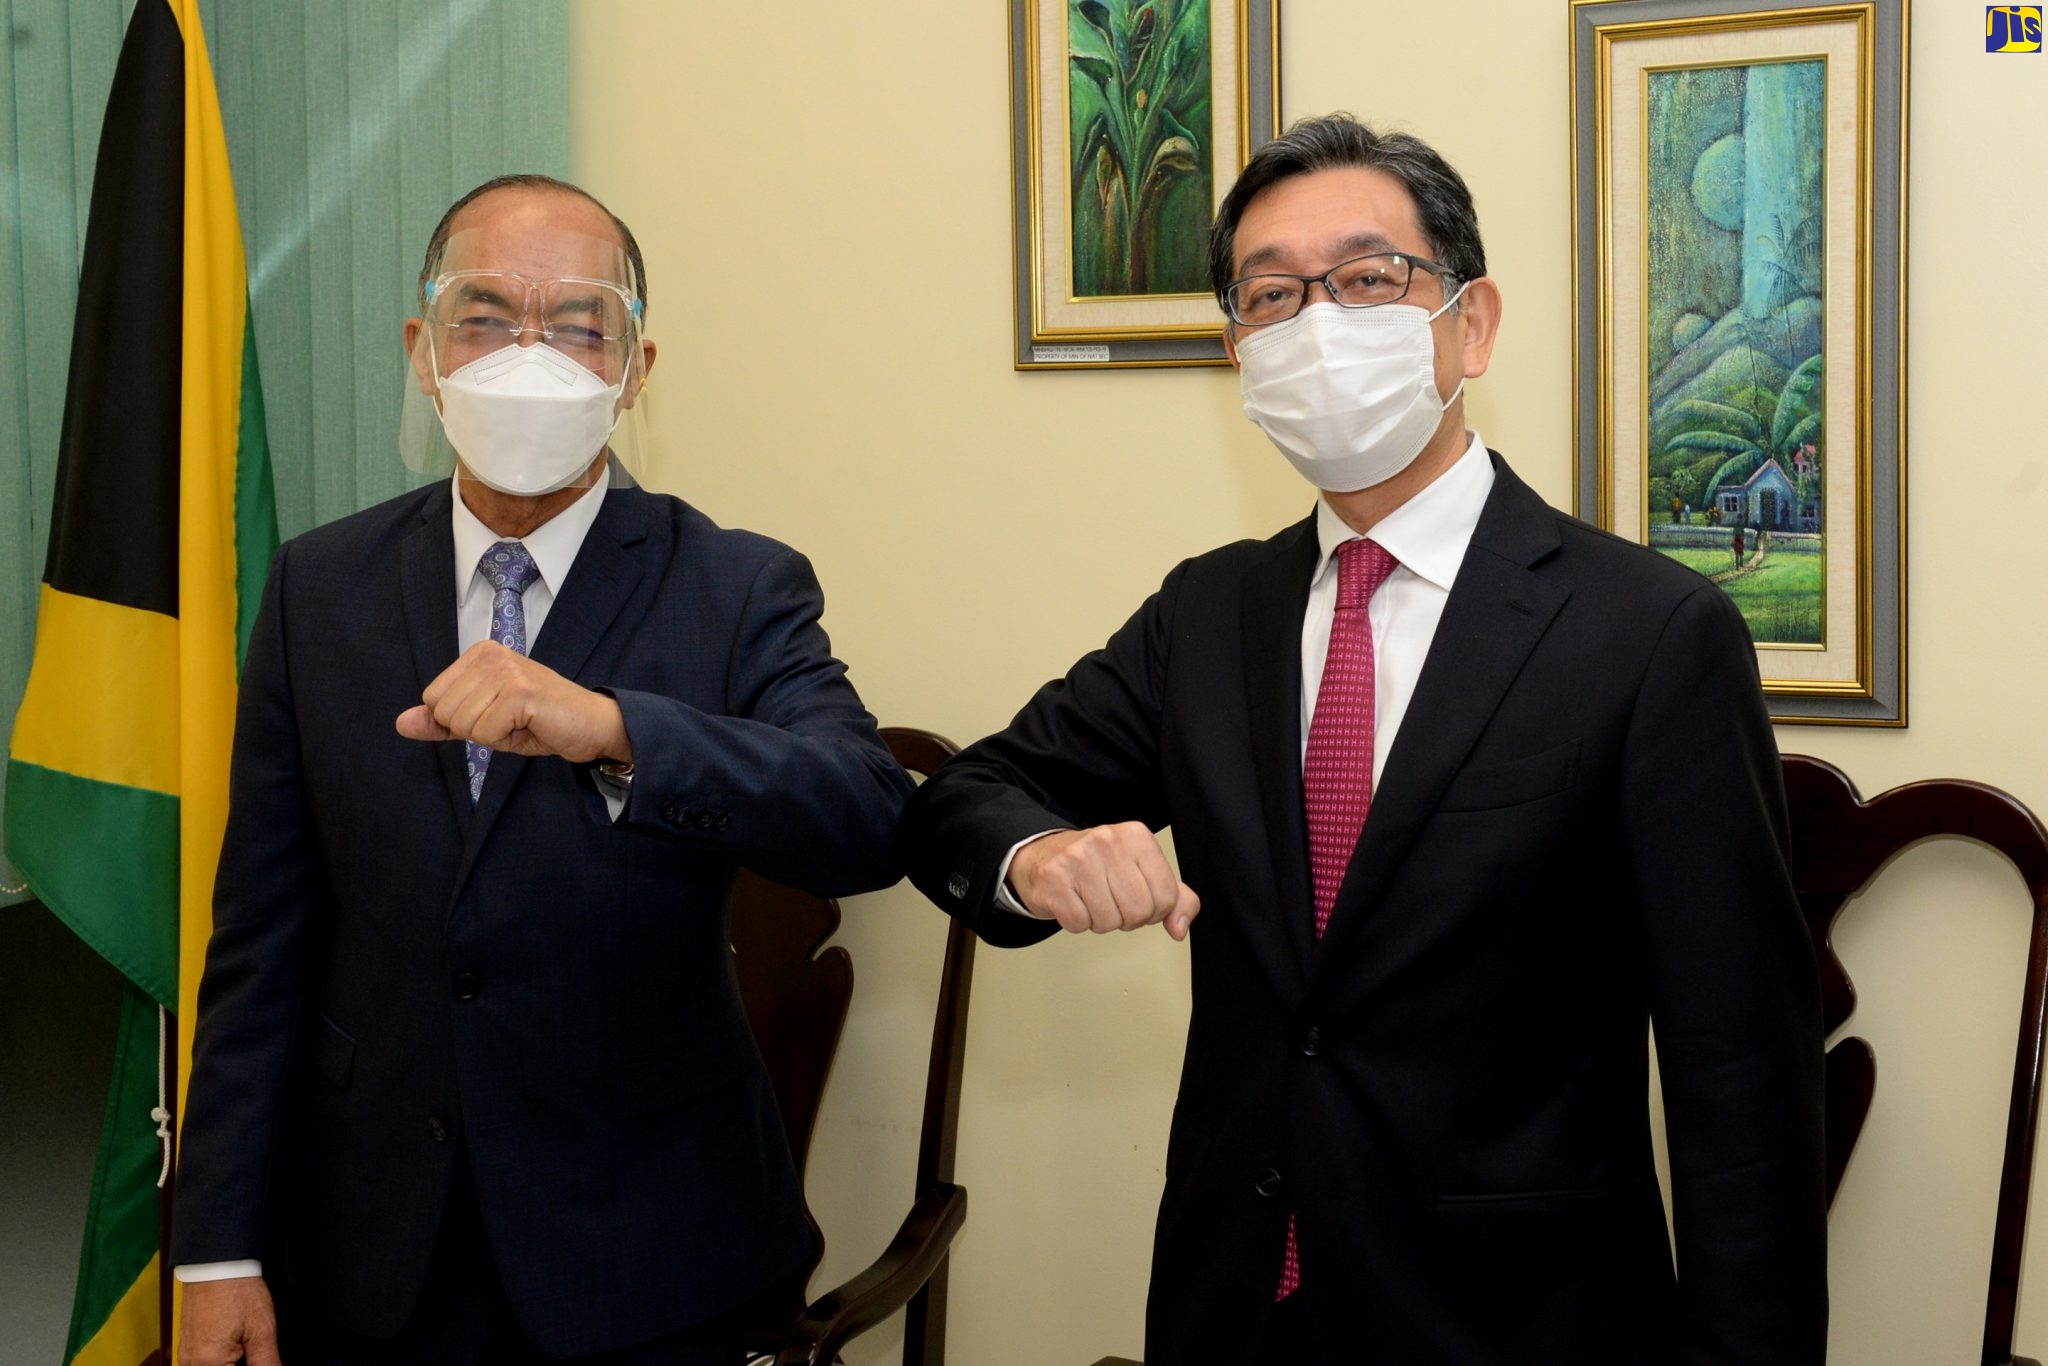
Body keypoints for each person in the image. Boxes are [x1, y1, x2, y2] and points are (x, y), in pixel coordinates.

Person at [900, 115, 1824, 1364]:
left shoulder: (1648, 632)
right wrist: (1034, 858)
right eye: (1270, 295)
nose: (1314, 325)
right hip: (1233, 1304)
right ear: (1237, 350)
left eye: (1365, 279)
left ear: (1470, 322)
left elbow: (1740, 1079)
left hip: (1517, 1321)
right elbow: (969, 794)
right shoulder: (1207, 610)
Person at [170, 175, 913, 1365]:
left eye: (578, 323)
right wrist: (217, 1248)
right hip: (366, 1247)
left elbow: (867, 816)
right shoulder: (321, 588)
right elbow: (261, 943)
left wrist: (618, 728)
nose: (530, 353)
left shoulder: (734, 586)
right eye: (482, 315)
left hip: (646, 1252)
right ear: (423, 350)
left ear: (635, 367)